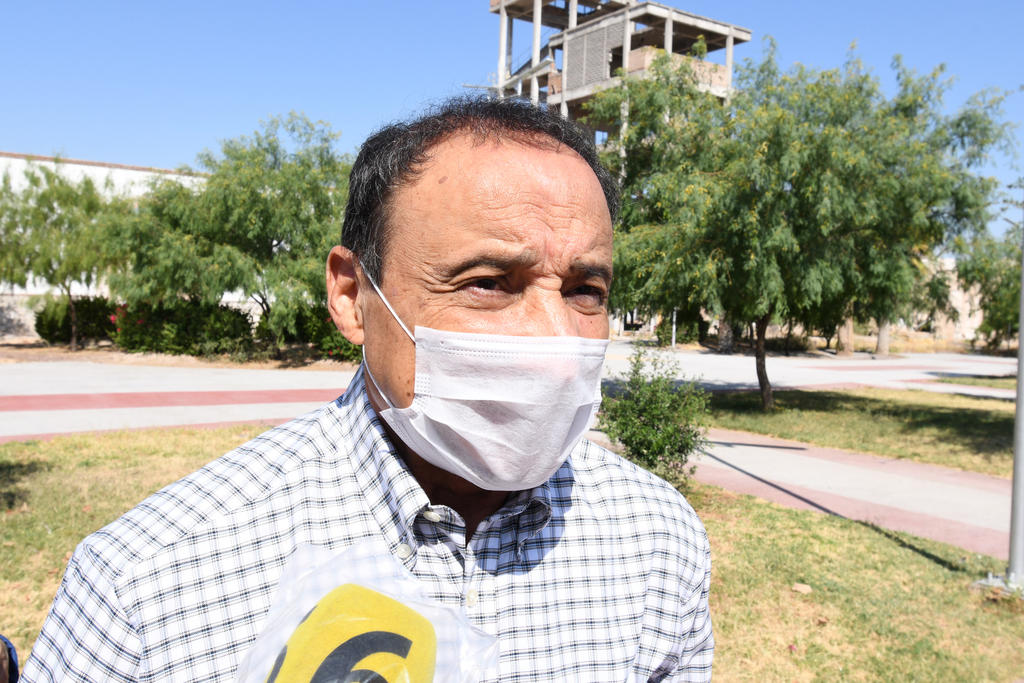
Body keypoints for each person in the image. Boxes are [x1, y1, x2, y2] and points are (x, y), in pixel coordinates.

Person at [23, 97, 712, 682]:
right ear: (353, 296)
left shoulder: (658, 540)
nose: (557, 348)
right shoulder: (149, 586)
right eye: (487, 283)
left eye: (585, 290)